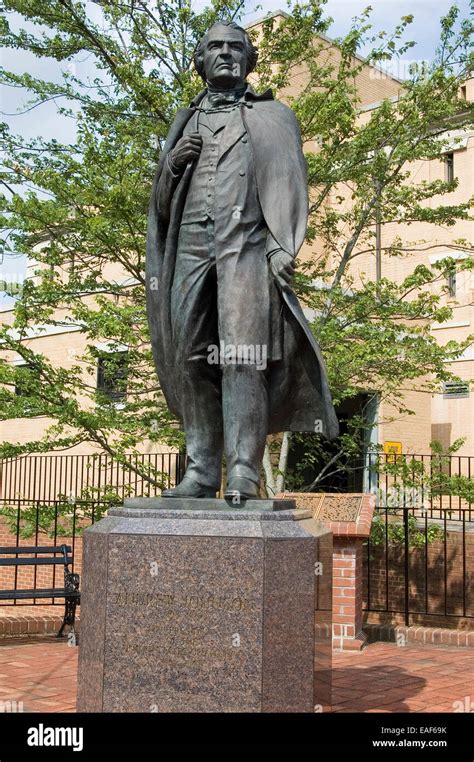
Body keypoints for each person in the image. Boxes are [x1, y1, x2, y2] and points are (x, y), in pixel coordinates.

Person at [146, 21, 338, 500]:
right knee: (189, 358)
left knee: (242, 358)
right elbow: (162, 211)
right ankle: (200, 471)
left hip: (245, 247)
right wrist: (172, 165)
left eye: (236, 48)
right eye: (216, 47)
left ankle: (243, 473)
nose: (226, 54)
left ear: (250, 61)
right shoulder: (183, 122)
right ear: (200, 60)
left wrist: (281, 247)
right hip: (189, 247)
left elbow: (289, 186)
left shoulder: (275, 117)